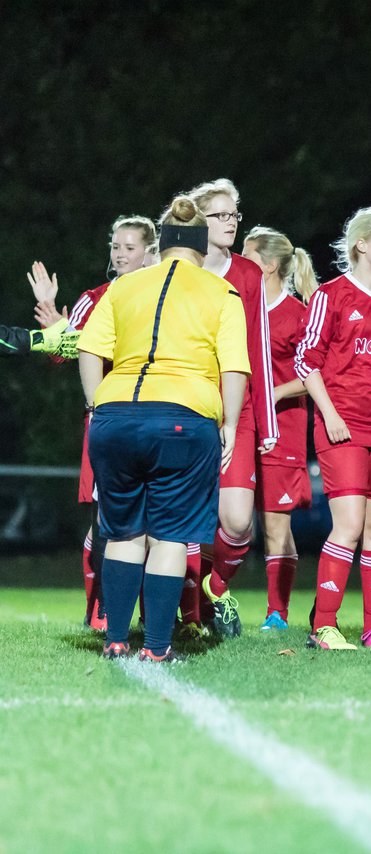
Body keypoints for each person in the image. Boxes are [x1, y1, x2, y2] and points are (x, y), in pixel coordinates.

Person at [77, 195, 250, 662]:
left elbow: (89, 350)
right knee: (171, 536)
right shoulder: (221, 293)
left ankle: (115, 639)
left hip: (115, 417)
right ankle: (155, 648)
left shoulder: (124, 287)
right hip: (182, 418)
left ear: (164, 242)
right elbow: (234, 367)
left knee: (124, 532)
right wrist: (231, 424)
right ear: (198, 245)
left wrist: (97, 406)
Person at [295, 207, 371, 650]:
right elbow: (305, 361)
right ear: (361, 245)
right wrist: (329, 414)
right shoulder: (331, 295)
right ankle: (324, 625)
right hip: (343, 428)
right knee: (347, 526)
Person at [30, 215, 158, 630]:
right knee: (108, 517)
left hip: (160, 417)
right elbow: (60, 354)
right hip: (109, 421)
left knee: (158, 520)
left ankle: (164, 608)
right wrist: (55, 323)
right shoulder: (96, 297)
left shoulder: (164, 298)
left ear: (150, 252)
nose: (120, 254)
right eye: (116, 247)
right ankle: (102, 605)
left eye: (129, 247)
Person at [187, 178, 277, 639]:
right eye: (220, 215)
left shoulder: (249, 274)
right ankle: (186, 614)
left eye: (234, 214)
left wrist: (266, 421)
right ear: (198, 221)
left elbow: (258, 348)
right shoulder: (180, 269)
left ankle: (212, 589)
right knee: (184, 519)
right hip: (186, 405)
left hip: (236, 413)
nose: (230, 223)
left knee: (238, 521)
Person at [241, 227, 317, 631]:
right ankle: (211, 596)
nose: (238, 261)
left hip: (282, 429)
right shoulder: (238, 309)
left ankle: (277, 613)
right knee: (231, 519)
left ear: (268, 265)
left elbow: (315, 374)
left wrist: (272, 393)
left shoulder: (298, 314)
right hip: (238, 428)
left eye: (247, 255)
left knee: (275, 524)